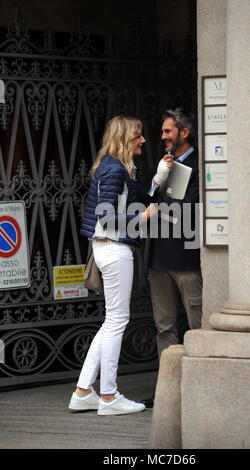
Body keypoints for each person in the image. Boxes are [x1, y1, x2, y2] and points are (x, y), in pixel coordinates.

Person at [68, 115, 154, 416]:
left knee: (111, 321)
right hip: (115, 249)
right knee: (118, 321)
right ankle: (108, 395)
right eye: (138, 135)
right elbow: (106, 217)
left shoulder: (116, 167)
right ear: (125, 138)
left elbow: (140, 197)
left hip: (107, 249)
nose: (143, 140)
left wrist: (158, 181)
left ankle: (82, 391)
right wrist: (140, 219)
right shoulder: (115, 170)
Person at [142, 108, 203, 408]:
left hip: (187, 258)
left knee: (197, 323)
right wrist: (157, 179)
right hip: (160, 259)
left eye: (168, 131)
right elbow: (147, 204)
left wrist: (160, 209)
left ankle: (200, 389)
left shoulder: (199, 162)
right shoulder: (165, 164)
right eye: (164, 131)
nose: (163, 136)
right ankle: (168, 390)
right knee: (164, 327)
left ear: (184, 132)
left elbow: (191, 206)